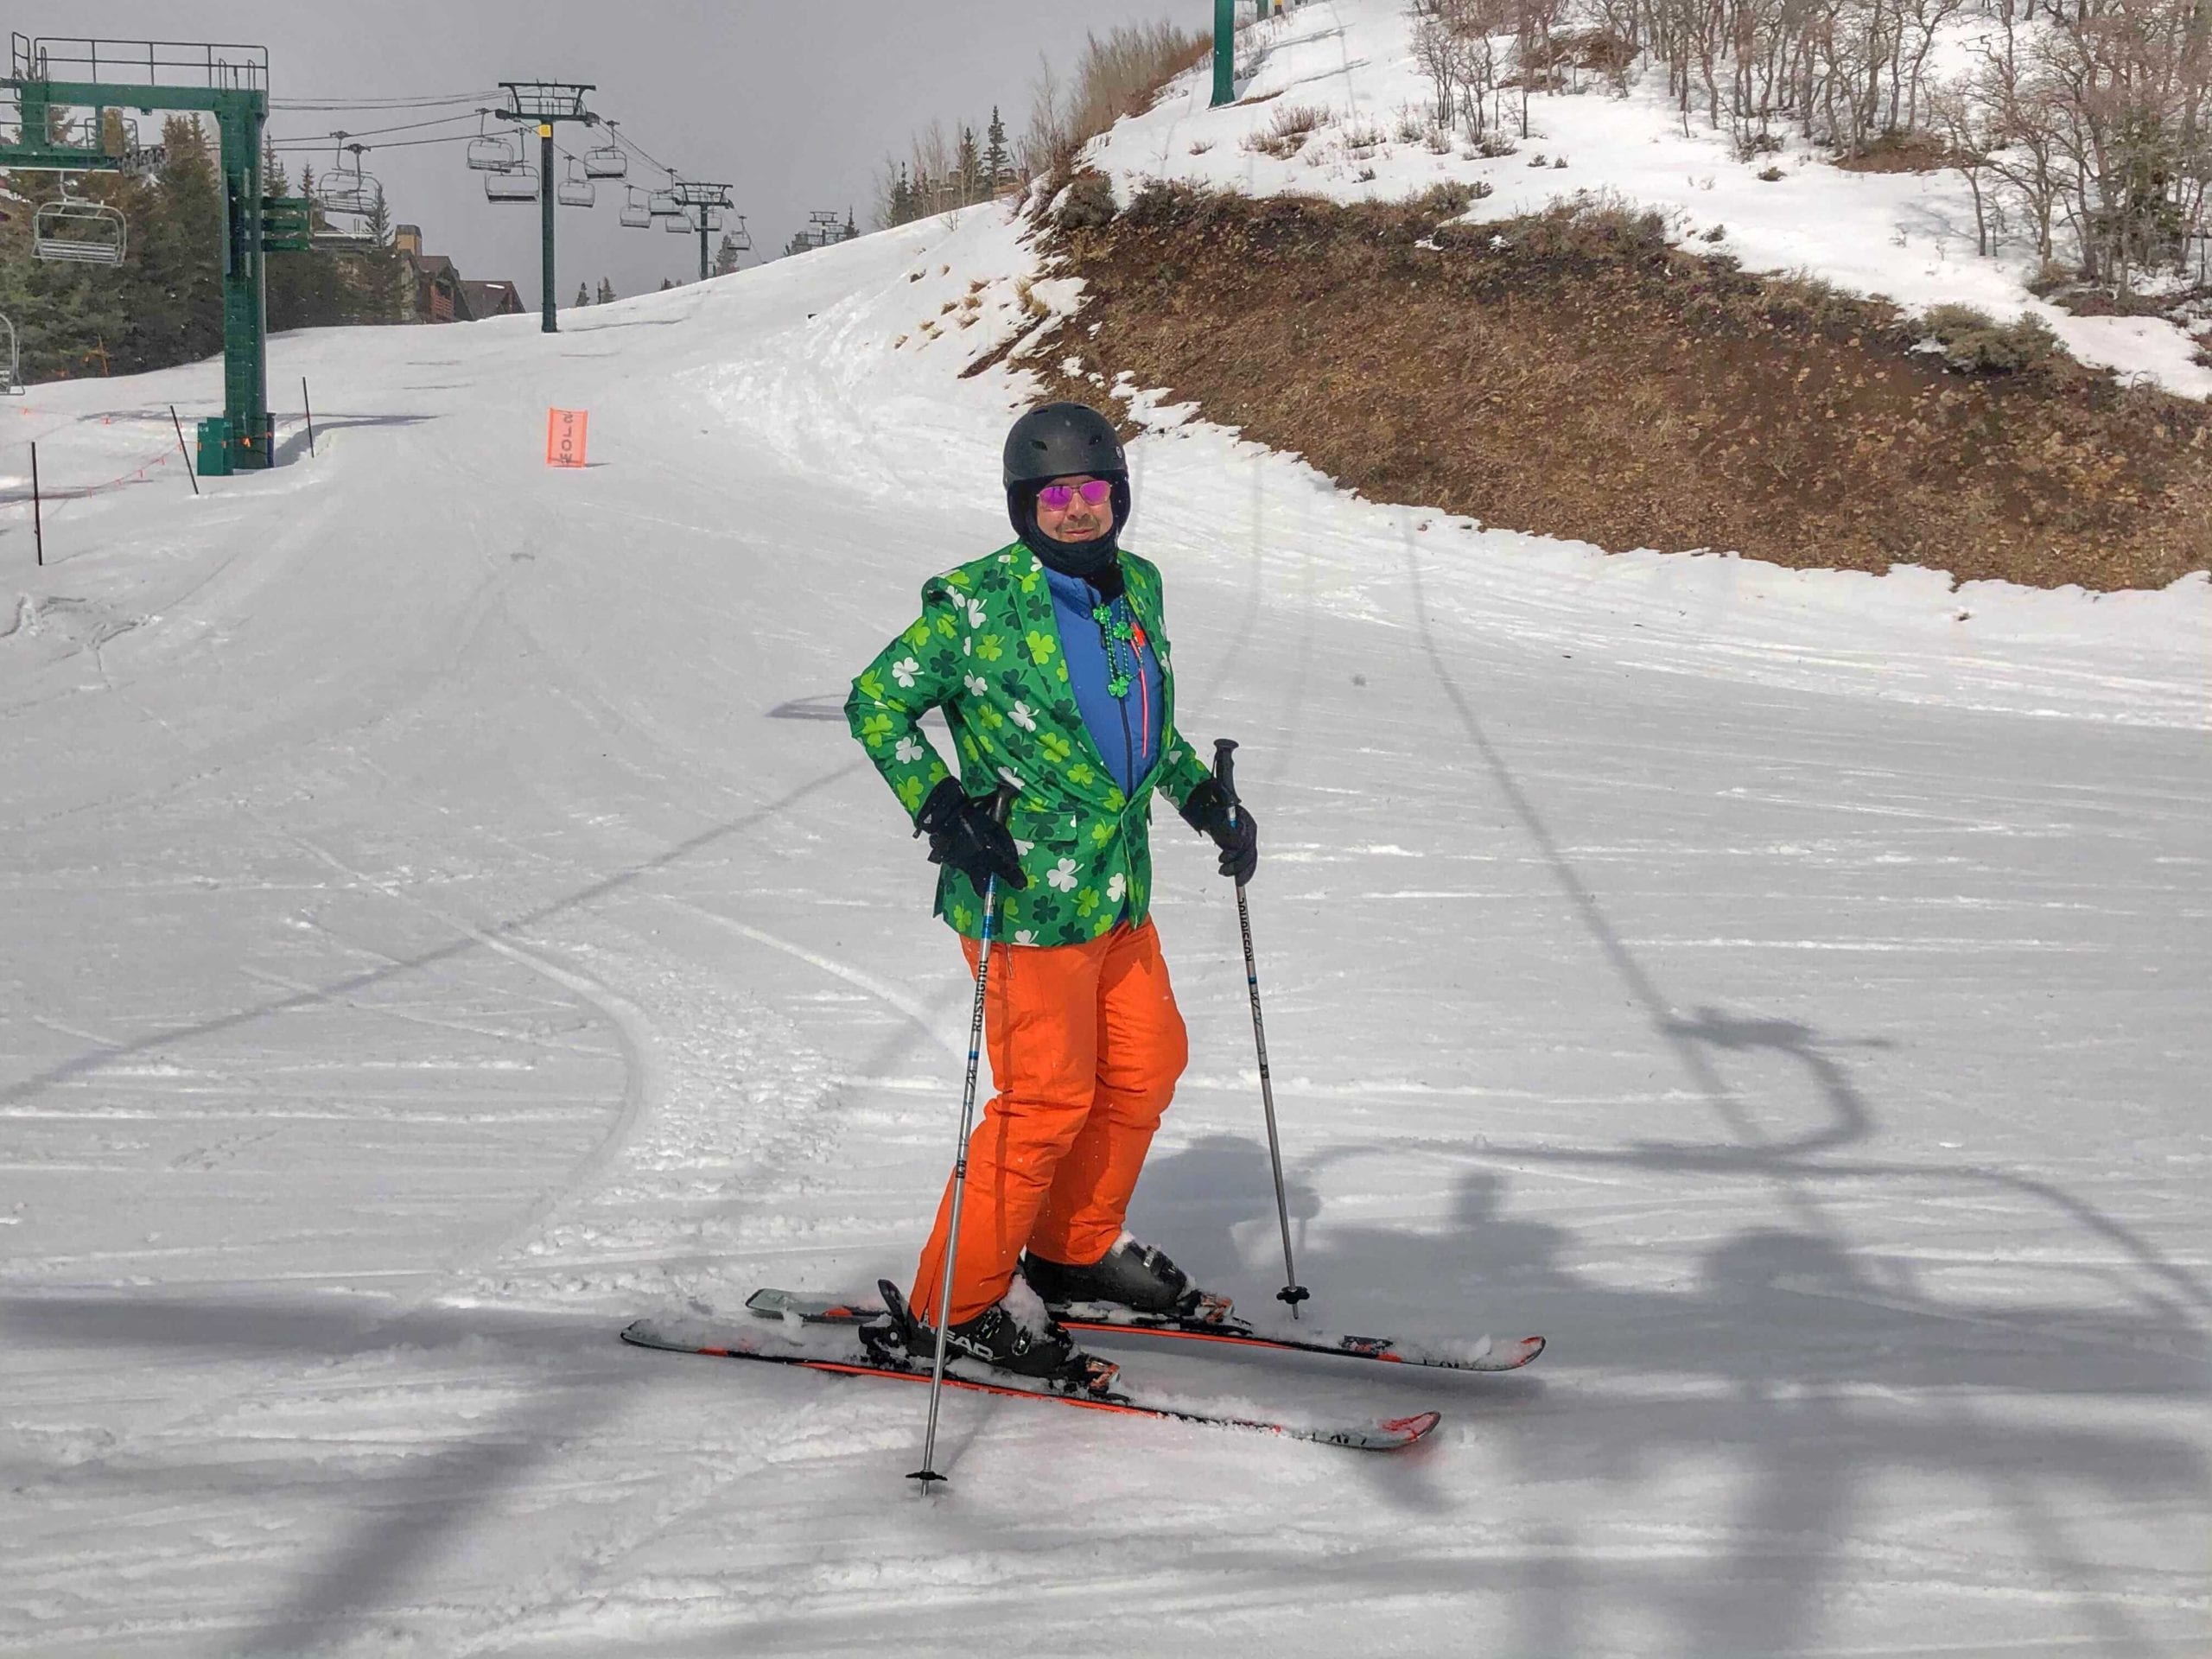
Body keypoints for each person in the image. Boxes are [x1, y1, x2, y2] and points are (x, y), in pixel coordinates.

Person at [843, 402, 1258, 1381]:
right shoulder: (975, 604)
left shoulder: (1137, 585)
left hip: (1115, 892)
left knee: (1148, 1065)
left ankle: (1071, 1252)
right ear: (1023, 504)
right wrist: (941, 803)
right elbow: (876, 701)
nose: (1078, 511)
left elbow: (1143, 725)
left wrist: (1201, 798)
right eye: (1055, 496)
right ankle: (957, 1304)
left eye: (1094, 491)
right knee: (1045, 1103)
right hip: (1023, 898)